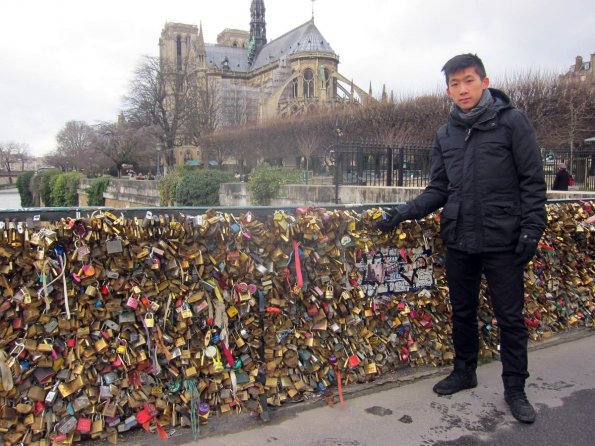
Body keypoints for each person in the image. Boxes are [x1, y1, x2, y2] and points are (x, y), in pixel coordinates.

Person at [377, 54, 546, 423]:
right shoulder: (445, 133)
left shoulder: (512, 123)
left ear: (484, 82)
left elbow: (532, 182)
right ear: (448, 90)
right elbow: (439, 188)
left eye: (468, 81)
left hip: (503, 238)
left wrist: (532, 230)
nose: (462, 89)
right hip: (460, 237)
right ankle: (465, 370)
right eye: (455, 84)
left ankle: (515, 388)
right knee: (463, 312)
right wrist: (403, 212)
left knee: (510, 317)